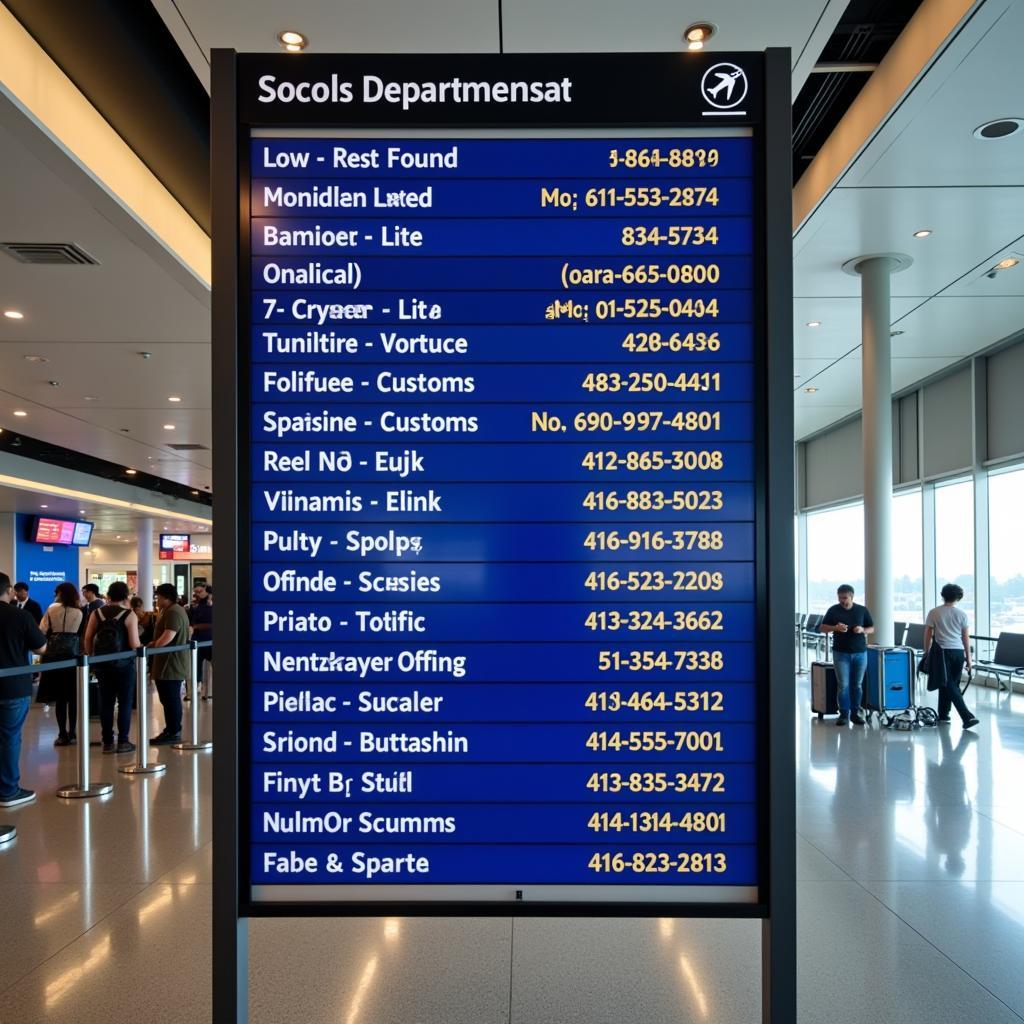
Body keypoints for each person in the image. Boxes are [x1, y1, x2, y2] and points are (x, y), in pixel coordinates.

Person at [0, 572, 47, 807]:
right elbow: (41, 648)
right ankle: (8, 790)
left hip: (12, 686)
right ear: (8, 590)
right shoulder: (20, 616)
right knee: (9, 737)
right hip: (13, 687)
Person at [84, 581, 141, 754]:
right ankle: (123, 741)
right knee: (124, 702)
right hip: (124, 665)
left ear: (108, 595)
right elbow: (134, 643)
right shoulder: (129, 615)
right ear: (126, 596)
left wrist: (92, 659)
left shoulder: (97, 613)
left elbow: (87, 638)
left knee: (106, 702)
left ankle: (107, 741)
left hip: (102, 664)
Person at [924, 583, 979, 730]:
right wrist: (969, 659)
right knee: (949, 684)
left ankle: (966, 716)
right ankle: (944, 714)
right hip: (958, 652)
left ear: (943, 595)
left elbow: (928, 634)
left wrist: (926, 651)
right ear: (958, 597)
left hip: (942, 652)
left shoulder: (934, 612)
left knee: (949, 684)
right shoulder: (962, 614)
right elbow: (965, 638)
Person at [820, 584, 874, 726]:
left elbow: (872, 628)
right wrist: (835, 628)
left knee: (857, 685)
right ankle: (844, 713)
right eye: (840, 598)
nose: (842, 601)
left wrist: (862, 630)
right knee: (843, 685)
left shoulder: (862, 610)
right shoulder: (833, 610)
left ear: (851, 597)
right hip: (841, 653)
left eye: (845, 598)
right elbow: (822, 628)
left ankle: (855, 713)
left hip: (860, 653)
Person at [37, 582, 84, 745]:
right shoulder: (79, 612)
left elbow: (42, 630)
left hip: (54, 656)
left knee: (60, 698)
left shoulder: (51, 609)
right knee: (73, 697)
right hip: (73, 656)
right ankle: (73, 732)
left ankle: (62, 733)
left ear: (60, 594)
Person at [148, 583, 190, 745]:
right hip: (166, 661)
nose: (156, 599)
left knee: (171, 697)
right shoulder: (169, 610)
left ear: (166, 597)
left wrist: (155, 645)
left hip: (171, 663)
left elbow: (169, 635)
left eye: (158, 596)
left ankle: (173, 730)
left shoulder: (173, 612)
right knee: (167, 698)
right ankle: (171, 729)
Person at [188, 584, 213, 700]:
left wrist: (197, 626)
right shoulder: (194, 607)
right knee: (195, 667)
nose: (196, 594)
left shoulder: (210, 606)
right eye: (195, 592)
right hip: (197, 641)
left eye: (199, 591)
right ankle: (194, 690)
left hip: (209, 640)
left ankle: (208, 691)